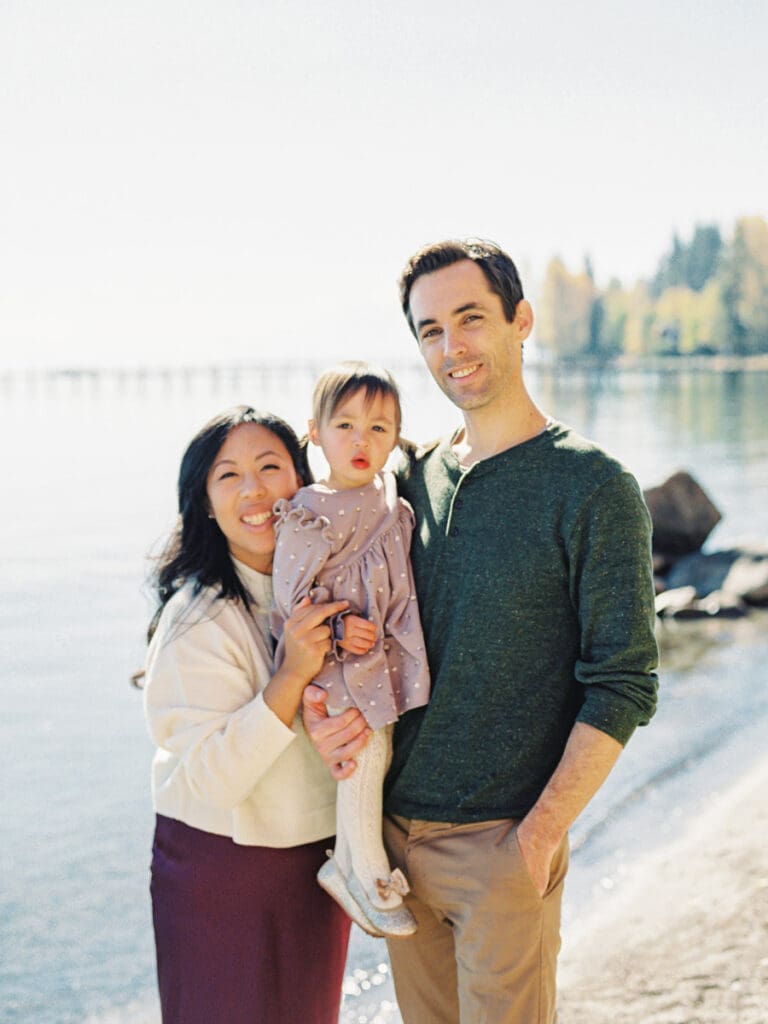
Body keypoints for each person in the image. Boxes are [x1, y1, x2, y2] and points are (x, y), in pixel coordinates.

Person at [303, 239, 660, 1024]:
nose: (451, 347)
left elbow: (626, 679)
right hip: (395, 843)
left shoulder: (592, 486)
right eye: (430, 330)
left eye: (470, 319)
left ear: (521, 320)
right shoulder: (407, 480)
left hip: (501, 843)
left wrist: (536, 839)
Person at [140, 406, 358, 1024]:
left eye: (270, 467)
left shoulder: (327, 582)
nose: (255, 491)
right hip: (221, 869)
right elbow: (212, 779)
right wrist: (290, 675)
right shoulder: (198, 616)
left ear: (302, 480)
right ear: (206, 502)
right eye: (228, 476)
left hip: (315, 860)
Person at [270, 361, 430, 938]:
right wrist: (336, 633)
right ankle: (362, 871)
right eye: (346, 426)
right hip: (339, 662)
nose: (362, 442)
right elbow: (289, 603)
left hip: (377, 658)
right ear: (314, 431)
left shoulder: (387, 490)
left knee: (376, 755)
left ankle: (355, 864)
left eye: (379, 429)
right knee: (361, 759)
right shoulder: (310, 509)